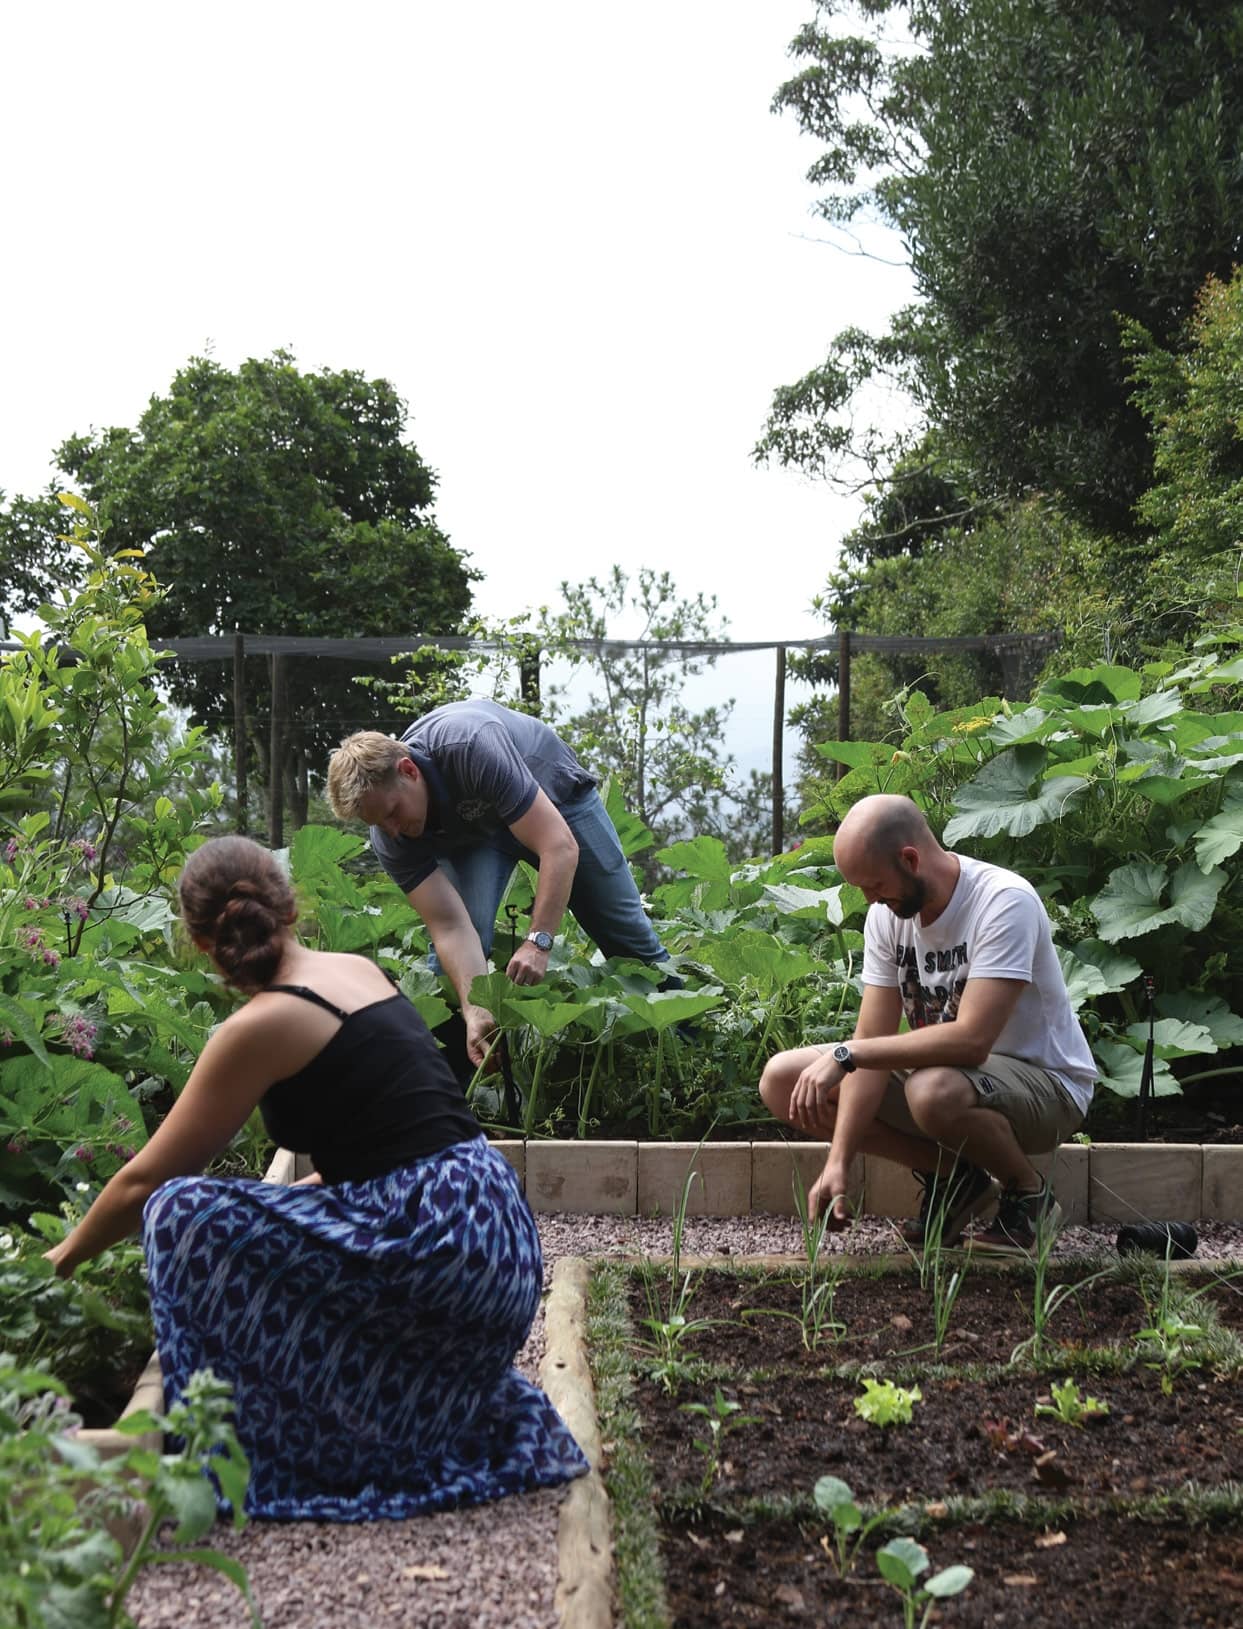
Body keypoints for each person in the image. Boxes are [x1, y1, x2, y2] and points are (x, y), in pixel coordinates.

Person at [44, 835, 588, 1520]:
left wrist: (58, 1260)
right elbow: (392, 1128)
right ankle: (394, 1407)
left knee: (181, 1212)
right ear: (288, 907)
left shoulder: (257, 1026)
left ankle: (288, 1442)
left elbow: (142, 1181)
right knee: (263, 1202)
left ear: (202, 944)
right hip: (495, 1234)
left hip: (439, 1253)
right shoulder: (357, 969)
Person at [758, 794, 1096, 1254]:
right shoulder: (888, 917)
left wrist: (847, 1055)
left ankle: (1028, 1192)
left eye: (875, 885)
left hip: (1047, 1087)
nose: (869, 900)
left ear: (910, 859)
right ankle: (957, 1180)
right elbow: (871, 1040)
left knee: (930, 1090)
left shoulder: (1003, 902)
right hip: (953, 1080)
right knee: (784, 1080)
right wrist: (840, 1160)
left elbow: (972, 1041)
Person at [326, 700, 674, 1070]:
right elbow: (449, 925)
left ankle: (690, 1047)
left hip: (555, 798)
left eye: (394, 812)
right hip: (474, 832)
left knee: (627, 936)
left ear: (409, 771)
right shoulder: (391, 837)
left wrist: (539, 941)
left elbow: (559, 846)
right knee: (456, 968)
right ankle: (458, 1087)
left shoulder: (470, 746)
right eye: (379, 823)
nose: (393, 830)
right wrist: (474, 1008)